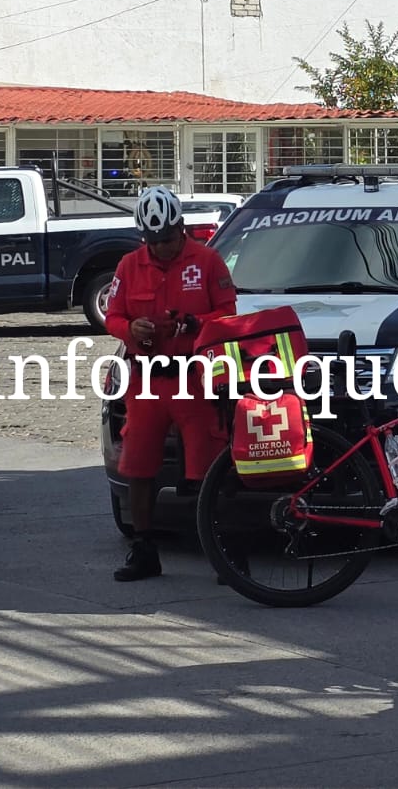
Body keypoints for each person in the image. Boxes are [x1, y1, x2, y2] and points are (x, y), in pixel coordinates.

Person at [104, 186, 237, 581]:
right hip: (147, 381)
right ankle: (144, 550)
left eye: (167, 239)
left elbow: (229, 312)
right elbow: (112, 316)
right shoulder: (129, 265)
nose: (161, 248)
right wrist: (131, 327)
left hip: (194, 380)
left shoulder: (209, 261)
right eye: (153, 241)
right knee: (138, 465)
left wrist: (198, 324)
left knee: (208, 467)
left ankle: (224, 552)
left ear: (181, 227)